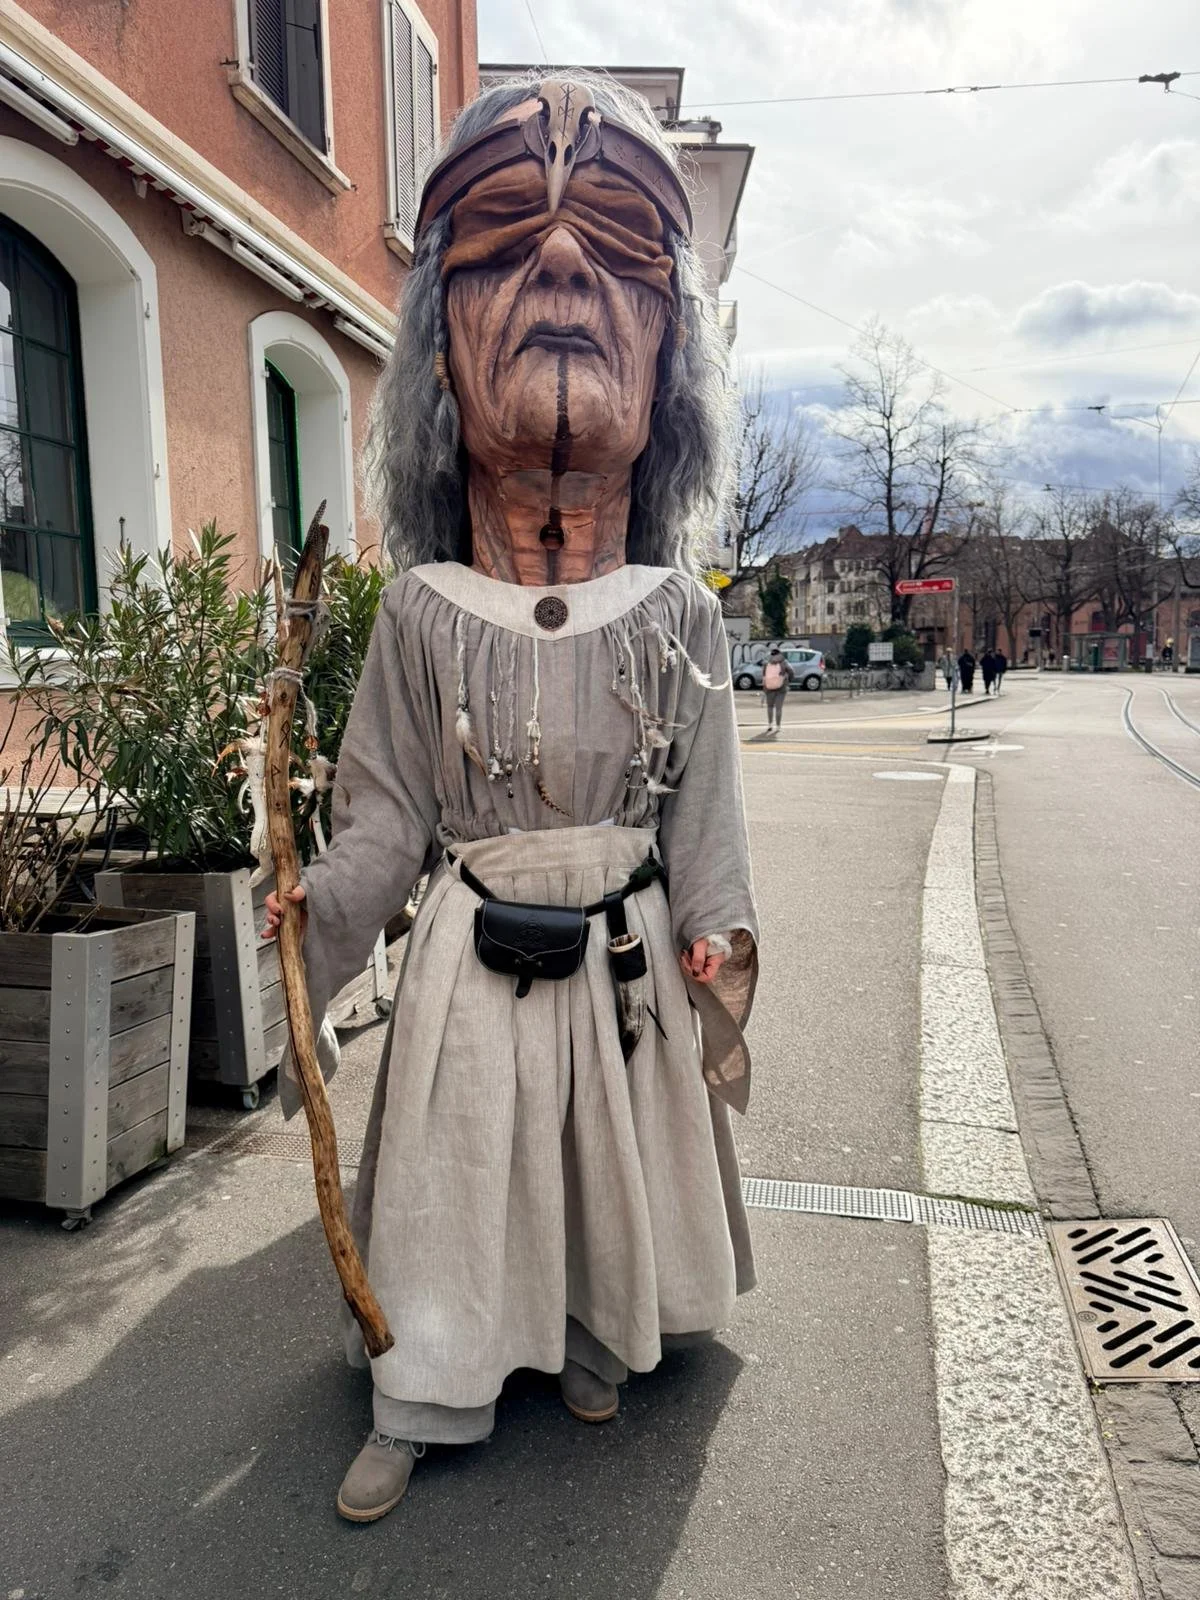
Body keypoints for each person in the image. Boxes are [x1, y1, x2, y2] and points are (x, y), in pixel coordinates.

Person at [264, 74, 758, 1525]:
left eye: (614, 243)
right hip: (471, 972)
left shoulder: (681, 612)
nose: (557, 264)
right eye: (500, 237)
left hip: (618, 965)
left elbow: (708, 816)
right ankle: (427, 1382)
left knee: (597, 1159)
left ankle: (596, 1332)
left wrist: (715, 933)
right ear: (435, 361)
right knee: (461, 1173)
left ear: (671, 351)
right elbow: (380, 819)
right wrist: (319, 925)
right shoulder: (419, 610)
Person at [762, 647, 792, 733]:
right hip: (781, 688)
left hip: (769, 687)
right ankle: (778, 727)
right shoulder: (784, 663)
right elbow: (791, 671)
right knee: (779, 708)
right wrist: (787, 680)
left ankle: (770, 725)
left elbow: (764, 677)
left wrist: (764, 687)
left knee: (770, 707)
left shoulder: (766, 663)